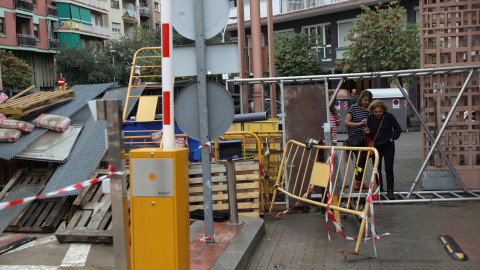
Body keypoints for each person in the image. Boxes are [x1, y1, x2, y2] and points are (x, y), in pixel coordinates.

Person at [363, 99, 402, 200]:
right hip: (376, 146)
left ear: (383, 110)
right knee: (377, 168)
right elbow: (369, 133)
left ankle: (390, 191)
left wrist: (393, 137)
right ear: (372, 111)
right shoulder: (370, 117)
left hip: (388, 145)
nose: (378, 114)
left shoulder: (389, 116)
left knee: (388, 168)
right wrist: (367, 133)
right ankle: (380, 189)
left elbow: (398, 129)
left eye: (380, 111)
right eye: (376, 112)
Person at [345, 90, 372, 190]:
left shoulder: (370, 109)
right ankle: (357, 182)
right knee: (359, 159)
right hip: (356, 138)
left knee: (363, 161)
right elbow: (346, 123)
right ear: (361, 99)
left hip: (366, 139)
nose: (367, 102)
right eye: (365, 100)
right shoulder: (354, 108)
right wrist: (359, 123)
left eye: (369, 100)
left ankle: (360, 182)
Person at [328, 90, 343, 186]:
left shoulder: (333, 110)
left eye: (333, 99)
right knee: (334, 157)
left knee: (335, 157)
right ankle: (337, 180)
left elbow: (338, 123)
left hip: (333, 138)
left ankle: (338, 180)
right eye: (330, 99)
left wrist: (336, 113)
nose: (332, 101)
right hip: (326, 138)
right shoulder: (324, 110)